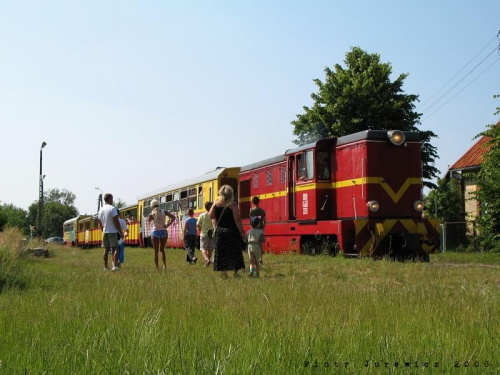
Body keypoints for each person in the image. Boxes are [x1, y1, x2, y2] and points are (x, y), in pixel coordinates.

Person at [209, 185, 245, 278]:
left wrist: (215, 226)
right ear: (231, 194)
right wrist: (241, 232)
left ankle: (223, 273)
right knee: (235, 252)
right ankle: (236, 272)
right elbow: (237, 220)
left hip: (220, 232)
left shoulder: (215, 204)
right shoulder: (233, 205)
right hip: (232, 231)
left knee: (222, 253)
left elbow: (211, 216)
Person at [98, 193, 124, 271]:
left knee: (106, 249)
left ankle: (105, 266)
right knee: (116, 248)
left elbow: (100, 223)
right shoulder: (113, 209)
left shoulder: (101, 210)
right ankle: (115, 266)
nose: (112, 200)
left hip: (105, 232)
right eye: (112, 199)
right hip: (113, 231)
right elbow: (116, 221)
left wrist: (103, 230)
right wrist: (121, 232)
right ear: (109, 199)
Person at [147, 199, 176, 270]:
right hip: (163, 232)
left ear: (152, 206)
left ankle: (157, 267)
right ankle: (165, 265)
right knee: (162, 250)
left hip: (155, 232)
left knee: (155, 251)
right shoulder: (164, 211)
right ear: (158, 204)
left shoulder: (151, 214)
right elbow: (173, 217)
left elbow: (148, 220)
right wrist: (168, 224)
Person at [197, 201, 215, 267]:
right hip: (212, 234)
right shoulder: (214, 215)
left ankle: (206, 259)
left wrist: (200, 230)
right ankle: (207, 263)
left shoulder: (202, 215)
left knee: (203, 248)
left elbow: (198, 224)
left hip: (204, 234)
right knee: (210, 249)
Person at [249, 196, 266, 264]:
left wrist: (251, 227)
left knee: (254, 243)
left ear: (253, 202)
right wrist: (263, 227)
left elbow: (250, 219)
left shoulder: (251, 210)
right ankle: (260, 259)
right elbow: (265, 220)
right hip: (261, 228)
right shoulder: (262, 211)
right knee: (261, 243)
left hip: (254, 228)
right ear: (259, 202)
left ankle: (254, 258)